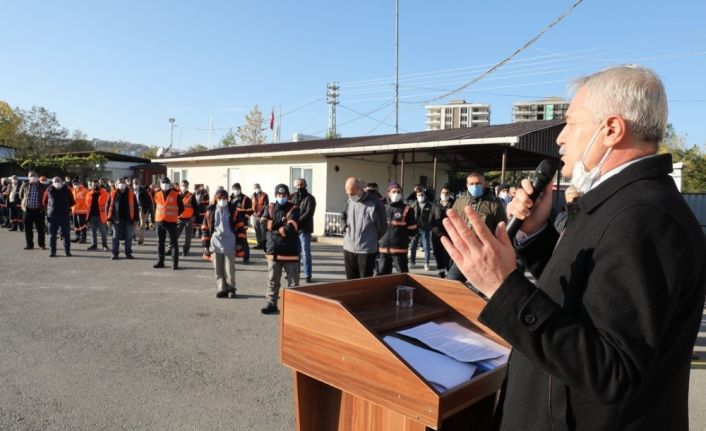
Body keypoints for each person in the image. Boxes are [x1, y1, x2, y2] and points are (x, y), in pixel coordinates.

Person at [441, 65, 706, 430]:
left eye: (570, 123)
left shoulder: (644, 217)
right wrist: (536, 237)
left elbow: (612, 370)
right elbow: (591, 295)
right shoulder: (619, 202)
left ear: (611, 129)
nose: (560, 139)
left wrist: (502, 287)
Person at [447, 171, 506, 282]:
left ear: (485, 184)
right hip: (463, 252)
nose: (475, 186)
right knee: (452, 282)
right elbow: (452, 223)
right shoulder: (460, 202)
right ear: (467, 185)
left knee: (484, 289)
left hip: (484, 254)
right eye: (472, 184)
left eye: (478, 183)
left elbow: (502, 232)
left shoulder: (494, 205)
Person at [260, 184, 301, 314]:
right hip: (274, 250)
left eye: (283, 195)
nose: (281, 197)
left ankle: (294, 307)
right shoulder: (270, 207)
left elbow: (291, 227)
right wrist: (280, 225)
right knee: (272, 280)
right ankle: (271, 304)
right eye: (279, 195)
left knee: (293, 282)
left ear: (288, 195)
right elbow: (263, 223)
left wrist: (274, 227)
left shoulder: (294, 208)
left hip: (291, 252)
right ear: (275, 195)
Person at [342, 177, 387, 279]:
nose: (350, 196)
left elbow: (383, 227)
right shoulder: (349, 200)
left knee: (364, 283)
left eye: (352, 193)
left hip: (366, 250)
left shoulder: (375, 203)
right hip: (349, 248)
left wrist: (370, 240)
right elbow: (343, 216)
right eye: (348, 193)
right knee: (350, 283)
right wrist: (344, 228)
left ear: (361, 189)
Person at [201, 189, 238, 298]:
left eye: (224, 198)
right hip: (215, 242)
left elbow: (240, 227)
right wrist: (205, 245)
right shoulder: (210, 211)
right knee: (218, 268)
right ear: (216, 199)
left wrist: (240, 242)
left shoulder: (233, 210)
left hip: (230, 242)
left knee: (229, 269)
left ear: (228, 199)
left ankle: (231, 288)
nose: (222, 200)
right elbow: (205, 228)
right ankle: (222, 288)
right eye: (220, 198)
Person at [376, 181, 416, 275]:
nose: (396, 194)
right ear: (388, 193)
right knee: (382, 276)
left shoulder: (408, 209)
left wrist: (403, 240)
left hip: (400, 249)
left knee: (402, 275)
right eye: (394, 191)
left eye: (398, 191)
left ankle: (402, 290)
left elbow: (413, 230)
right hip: (383, 249)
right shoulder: (383, 208)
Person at [153, 177, 184, 270]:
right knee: (160, 243)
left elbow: (181, 208)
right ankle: (160, 262)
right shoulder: (157, 194)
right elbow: (155, 206)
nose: (164, 184)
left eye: (166, 183)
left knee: (173, 243)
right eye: (163, 182)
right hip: (159, 221)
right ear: (160, 183)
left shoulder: (176, 195)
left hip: (171, 222)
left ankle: (175, 263)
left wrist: (175, 215)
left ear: (170, 184)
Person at [290, 178, 316, 283]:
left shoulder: (310, 198)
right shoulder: (293, 197)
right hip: (294, 229)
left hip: (305, 229)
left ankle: (307, 274)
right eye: (297, 185)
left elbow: (309, 213)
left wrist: (297, 221)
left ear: (305, 185)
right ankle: (295, 273)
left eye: (301, 184)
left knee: (305, 252)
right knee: (295, 252)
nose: (299, 187)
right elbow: (290, 210)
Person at [107, 178, 138, 260]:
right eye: (120, 183)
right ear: (116, 184)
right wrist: (108, 219)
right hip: (116, 219)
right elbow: (108, 206)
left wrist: (135, 220)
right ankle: (115, 253)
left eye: (123, 182)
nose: (121, 184)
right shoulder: (112, 194)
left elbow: (135, 208)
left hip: (129, 219)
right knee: (115, 237)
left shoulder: (131, 194)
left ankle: (128, 253)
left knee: (129, 237)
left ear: (126, 184)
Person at [43, 176, 75, 257]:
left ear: (62, 181)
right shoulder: (49, 189)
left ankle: (67, 252)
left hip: (64, 215)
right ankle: (52, 252)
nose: (57, 182)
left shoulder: (67, 189)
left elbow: (72, 201)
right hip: (52, 216)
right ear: (52, 183)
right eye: (55, 181)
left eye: (59, 181)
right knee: (52, 235)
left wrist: (66, 208)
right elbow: (44, 201)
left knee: (66, 234)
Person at [430, 183, 454, 278]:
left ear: (450, 193)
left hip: (449, 235)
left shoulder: (454, 203)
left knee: (447, 256)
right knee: (437, 254)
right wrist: (433, 228)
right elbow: (430, 219)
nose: (444, 194)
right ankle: (441, 274)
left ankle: (450, 274)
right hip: (436, 235)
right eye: (443, 192)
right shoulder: (435, 203)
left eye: (447, 193)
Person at [18, 171, 47, 250]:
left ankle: (42, 244)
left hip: (39, 210)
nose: (32, 177)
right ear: (28, 177)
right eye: (31, 176)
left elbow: (46, 197)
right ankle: (29, 245)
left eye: (34, 175)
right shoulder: (25, 185)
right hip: (27, 210)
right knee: (28, 229)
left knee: (40, 229)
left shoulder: (42, 186)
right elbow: (20, 196)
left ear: (37, 177)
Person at [409, 186, 433, 271]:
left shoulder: (429, 204)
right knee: (413, 246)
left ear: (425, 195)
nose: (420, 196)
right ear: (416, 195)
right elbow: (408, 198)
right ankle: (412, 262)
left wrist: (426, 189)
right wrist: (414, 190)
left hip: (425, 229)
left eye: (422, 194)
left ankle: (426, 264)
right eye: (419, 195)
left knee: (426, 247)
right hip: (415, 228)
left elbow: (432, 216)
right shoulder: (413, 204)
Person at [230, 183, 254, 263]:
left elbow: (250, 211)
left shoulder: (246, 199)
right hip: (232, 223)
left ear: (240, 189)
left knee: (243, 240)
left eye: (237, 189)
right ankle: (232, 257)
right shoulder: (231, 198)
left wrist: (244, 219)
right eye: (234, 189)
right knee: (233, 240)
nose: (236, 191)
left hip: (242, 223)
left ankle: (246, 258)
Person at [174, 180, 198, 257]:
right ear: (180, 186)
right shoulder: (176, 194)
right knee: (175, 235)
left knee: (188, 237)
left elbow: (195, 207)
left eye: (185, 185)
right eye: (183, 185)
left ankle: (185, 250)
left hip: (189, 219)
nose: (184, 187)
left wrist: (194, 217)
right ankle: (171, 248)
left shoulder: (191, 195)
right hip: (179, 218)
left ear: (187, 186)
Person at [85, 179, 109, 251]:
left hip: (101, 216)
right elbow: (87, 205)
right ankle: (94, 245)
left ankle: (105, 245)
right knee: (93, 232)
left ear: (100, 185)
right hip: (91, 216)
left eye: (97, 184)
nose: (95, 186)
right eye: (94, 185)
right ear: (91, 186)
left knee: (103, 232)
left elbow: (109, 205)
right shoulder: (88, 194)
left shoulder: (105, 193)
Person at [132, 178, 153, 245]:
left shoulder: (143, 191)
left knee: (142, 225)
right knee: (133, 224)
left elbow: (149, 201)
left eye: (137, 182)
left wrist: (149, 212)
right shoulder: (130, 191)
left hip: (142, 209)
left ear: (139, 183)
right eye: (134, 182)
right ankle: (131, 237)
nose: (135, 184)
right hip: (134, 208)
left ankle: (141, 240)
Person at [70, 178, 89, 244]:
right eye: (74, 184)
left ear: (79, 183)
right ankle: (77, 237)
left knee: (82, 225)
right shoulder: (72, 190)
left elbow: (88, 201)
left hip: (82, 211)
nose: (76, 185)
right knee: (76, 225)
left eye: (77, 183)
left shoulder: (85, 190)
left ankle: (83, 238)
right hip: (74, 210)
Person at [251, 183, 269, 249]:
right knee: (257, 230)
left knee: (263, 230)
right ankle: (259, 244)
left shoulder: (265, 195)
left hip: (262, 215)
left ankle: (264, 244)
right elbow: (252, 205)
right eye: (255, 188)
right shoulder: (253, 195)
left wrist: (260, 212)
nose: (256, 189)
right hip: (254, 215)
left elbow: (266, 206)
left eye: (257, 187)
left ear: (260, 187)